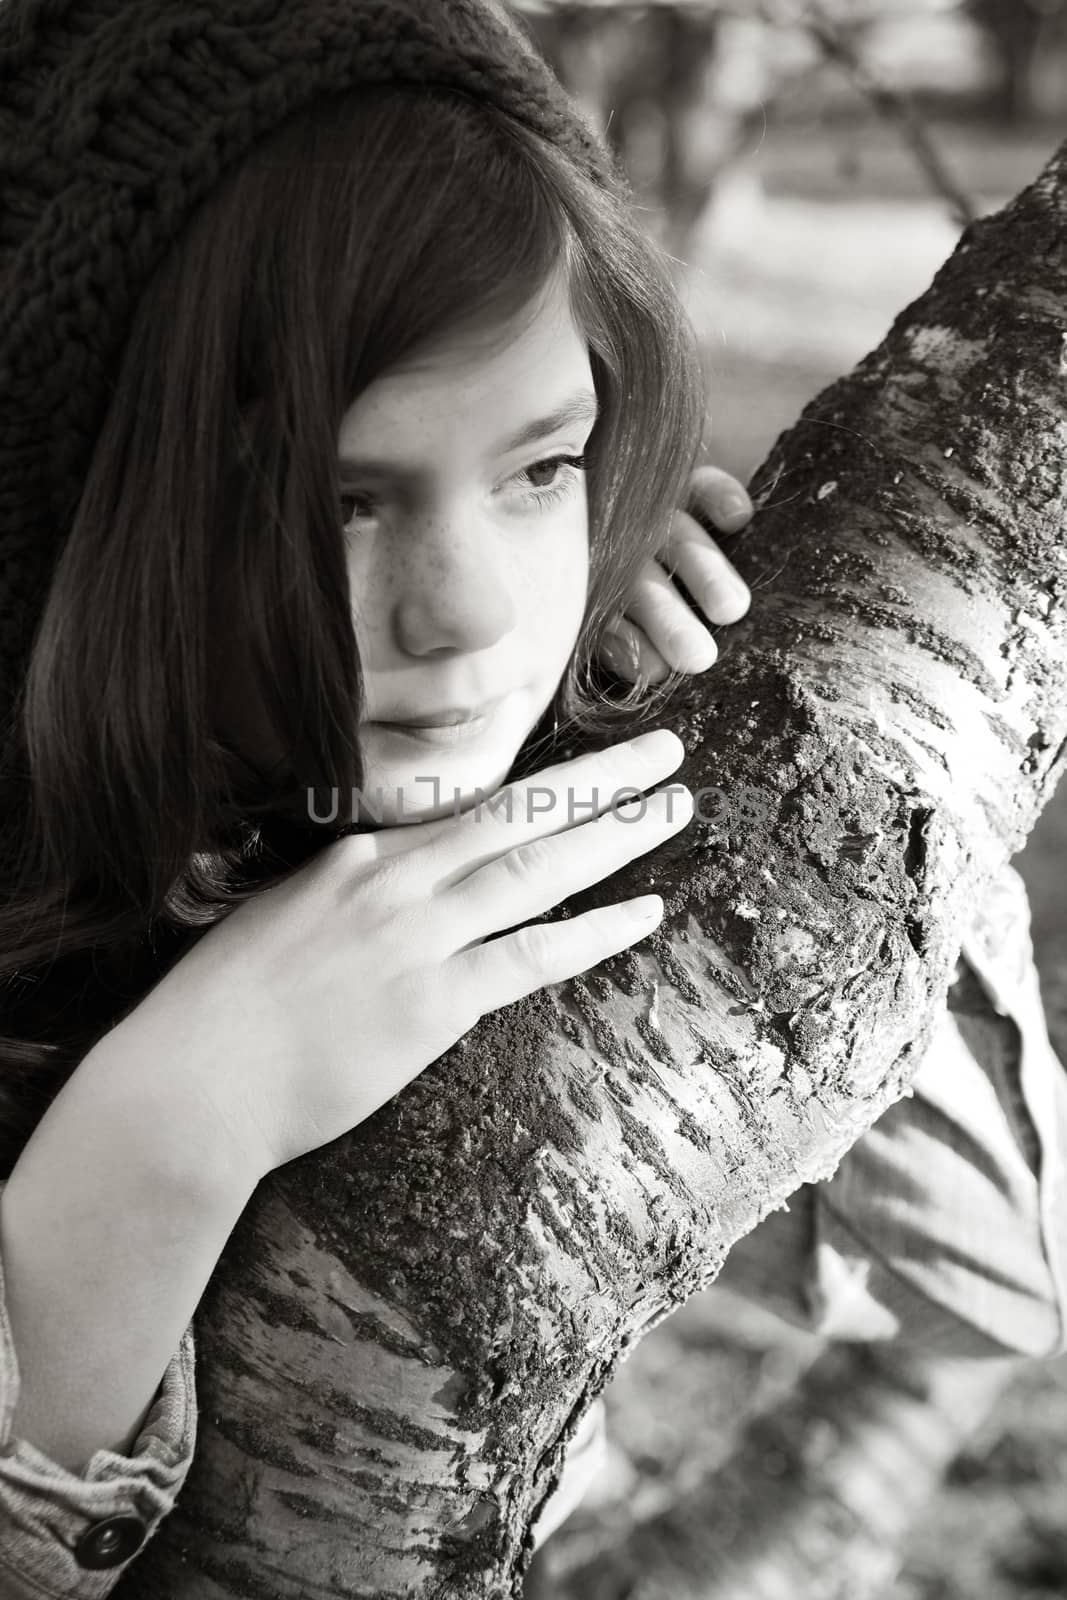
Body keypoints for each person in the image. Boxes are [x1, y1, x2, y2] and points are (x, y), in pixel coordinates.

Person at [0, 4, 1063, 1598]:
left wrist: (744, 721)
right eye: (338, 503)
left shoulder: (513, 766)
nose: (468, 613)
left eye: (538, 467)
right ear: (87, 507)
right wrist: (168, 1134)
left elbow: (981, 1274)